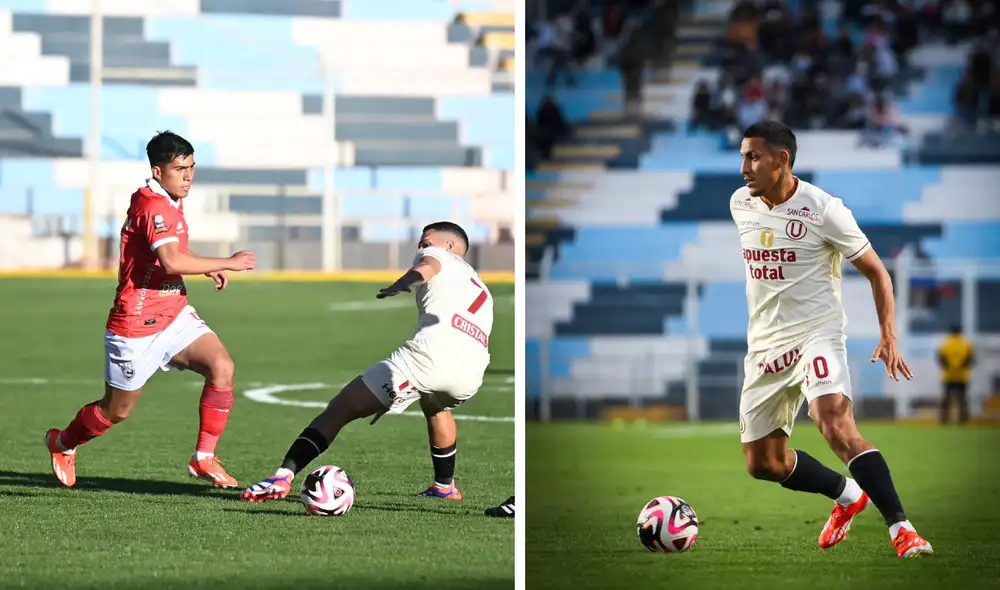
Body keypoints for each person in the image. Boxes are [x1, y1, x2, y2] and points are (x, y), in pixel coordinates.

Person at [730, 121, 932, 558]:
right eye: (743, 156)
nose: (743, 166)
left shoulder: (824, 209)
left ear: (781, 160)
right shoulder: (740, 203)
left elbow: (878, 271)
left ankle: (903, 529)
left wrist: (888, 335)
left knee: (835, 424)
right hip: (764, 348)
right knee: (763, 464)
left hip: (817, 336)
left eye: (753, 156)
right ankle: (847, 496)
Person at [43, 130, 256, 488]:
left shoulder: (170, 198)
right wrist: (228, 260)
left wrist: (203, 265)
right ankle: (63, 443)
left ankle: (203, 457)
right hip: (135, 325)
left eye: (191, 167)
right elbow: (170, 259)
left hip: (174, 313)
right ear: (158, 171)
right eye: (179, 169)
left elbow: (164, 256)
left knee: (222, 366)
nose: (188, 176)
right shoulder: (153, 204)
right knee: (117, 410)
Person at [240, 222, 493, 503]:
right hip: (472, 373)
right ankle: (445, 487)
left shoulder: (438, 255)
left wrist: (404, 282)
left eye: (426, 241)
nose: (421, 247)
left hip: (429, 359)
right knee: (435, 405)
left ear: (448, 246)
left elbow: (428, 266)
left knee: (340, 408)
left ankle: (281, 477)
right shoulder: (477, 283)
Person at [938, 325, 974, 424]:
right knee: (962, 399)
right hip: (962, 376)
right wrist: (960, 367)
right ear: (961, 332)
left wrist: (950, 368)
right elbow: (970, 360)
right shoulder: (966, 344)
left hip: (948, 375)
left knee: (946, 399)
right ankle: (963, 420)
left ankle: (944, 420)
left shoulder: (945, 344)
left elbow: (941, 359)